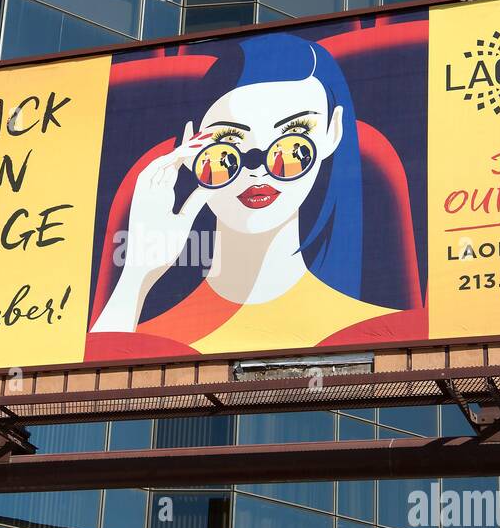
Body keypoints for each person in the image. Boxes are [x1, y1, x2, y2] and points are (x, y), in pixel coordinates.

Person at [90, 32, 399, 353]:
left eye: (293, 140)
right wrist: (137, 276)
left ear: (332, 132)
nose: (258, 168)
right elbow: (91, 385)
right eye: (229, 142)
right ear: (190, 142)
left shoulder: (378, 333)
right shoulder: (144, 339)